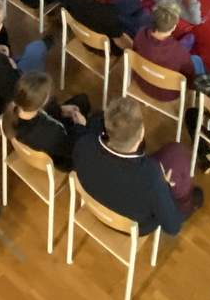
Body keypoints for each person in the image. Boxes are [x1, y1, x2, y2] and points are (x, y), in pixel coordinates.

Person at [72, 96, 201, 236]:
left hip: (94, 209)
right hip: (132, 227)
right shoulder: (152, 176)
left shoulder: (84, 144)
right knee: (176, 153)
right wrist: (166, 187)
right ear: (142, 133)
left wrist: (81, 127)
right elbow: (172, 228)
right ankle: (188, 204)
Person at [4, 71, 91, 171]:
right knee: (94, 124)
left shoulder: (13, 112)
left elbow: (45, 113)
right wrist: (80, 126)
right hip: (63, 157)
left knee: (82, 100)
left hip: (49, 142)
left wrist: (60, 110)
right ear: (43, 102)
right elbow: (71, 148)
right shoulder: (52, 133)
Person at [131, 2, 203, 102]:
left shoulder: (141, 33)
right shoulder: (179, 51)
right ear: (174, 27)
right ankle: (199, 92)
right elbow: (189, 77)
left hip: (141, 81)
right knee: (196, 59)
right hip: (166, 94)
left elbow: (134, 51)